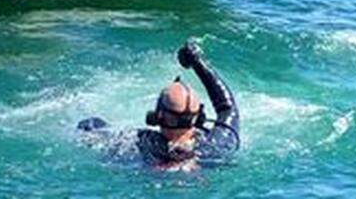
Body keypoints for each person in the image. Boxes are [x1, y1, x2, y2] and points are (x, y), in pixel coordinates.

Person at [77, 42, 240, 171]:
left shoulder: (136, 143)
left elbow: (89, 125)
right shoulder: (217, 145)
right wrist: (198, 63)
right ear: (199, 118)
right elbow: (227, 108)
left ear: (157, 116)